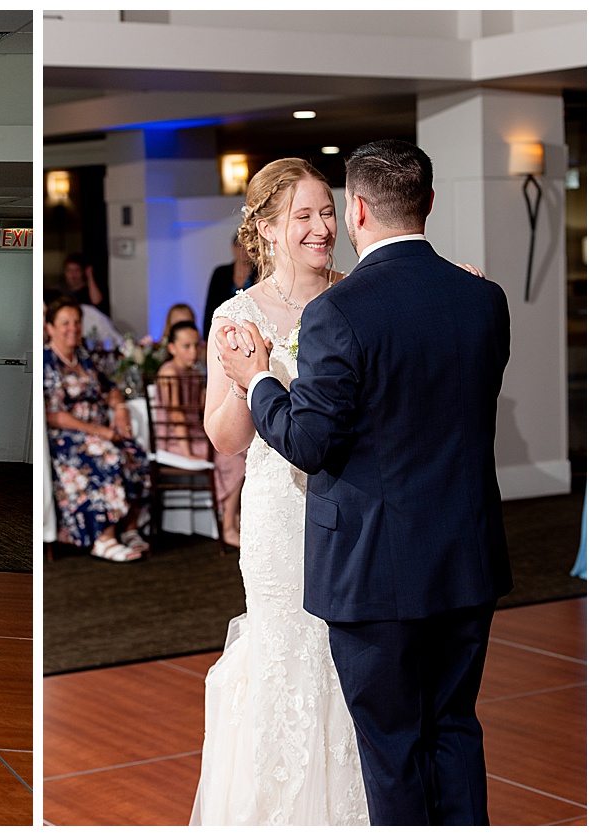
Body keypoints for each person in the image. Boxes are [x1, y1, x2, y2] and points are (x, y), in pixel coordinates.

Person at [212, 143, 508, 826]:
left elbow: (316, 443)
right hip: (452, 552)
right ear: (267, 228)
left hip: (369, 554)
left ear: (356, 212)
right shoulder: (478, 297)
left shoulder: (343, 308)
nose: (319, 226)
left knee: (393, 743)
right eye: (302, 215)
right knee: (452, 729)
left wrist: (260, 379)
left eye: (327, 210)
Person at [43, 296, 149, 562]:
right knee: (107, 454)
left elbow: (109, 389)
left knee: (134, 452)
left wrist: (121, 409)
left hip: (100, 429)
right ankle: (103, 537)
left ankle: (129, 527)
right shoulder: (48, 362)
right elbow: (55, 415)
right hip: (69, 436)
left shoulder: (84, 357)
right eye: (65, 323)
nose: (73, 328)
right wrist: (99, 432)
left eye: (77, 323)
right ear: (50, 328)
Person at [153, 319, 243, 547]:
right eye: (186, 346)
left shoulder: (192, 372)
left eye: (196, 345)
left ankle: (234, 516)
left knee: (242, 449)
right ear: (171, 347)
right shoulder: (169, 372)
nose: (193, 351)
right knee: (233, 459)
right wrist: (187, 453)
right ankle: (228, 526)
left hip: (194, 435)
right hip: (175, 440)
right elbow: (176, 416)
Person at [203, 237, 258, 333]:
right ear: (233, 247)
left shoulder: (260, 273)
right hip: (223, 328)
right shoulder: (221, 273)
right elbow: (211, 305)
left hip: (251, 329)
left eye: (249, 246)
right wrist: (207, 334)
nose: (244, 250)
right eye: (241, 246)